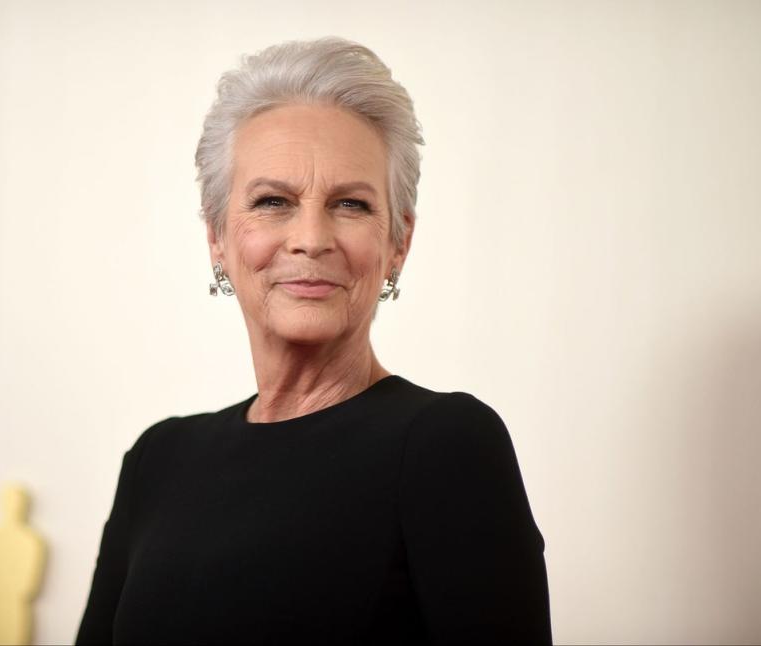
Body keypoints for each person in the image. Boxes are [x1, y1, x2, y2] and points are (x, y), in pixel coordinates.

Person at [76, 36, 551, 645]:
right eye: (273, 201)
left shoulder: (446, 444)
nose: (310, 238)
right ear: (217, 236)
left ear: (397, 243)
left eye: (350, 204)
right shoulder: (156, 460)